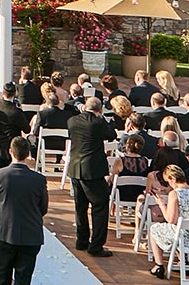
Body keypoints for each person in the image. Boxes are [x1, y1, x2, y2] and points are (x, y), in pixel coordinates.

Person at [0, 137, 47, 285]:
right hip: (31, 235)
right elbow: (43, 208)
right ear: (28, 154)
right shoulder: (39, 179)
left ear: (10, 152)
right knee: (24, 279)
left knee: (1, 276)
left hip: (6, 233)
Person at [67, 96, 115, 257]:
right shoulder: (98, 123)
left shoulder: (72, 121)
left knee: (80, 207)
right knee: (100, 206)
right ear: (99, 110)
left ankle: (81, 241)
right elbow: (112, 134)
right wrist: (102, 118)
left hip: (75, 168)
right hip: (92, 170)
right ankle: (96, 245)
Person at [148, 165, 189, 279]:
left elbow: (170, 219)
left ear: (173, 179)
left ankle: (159, 264)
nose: (169, 185)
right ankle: (182, 260)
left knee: (154, 229)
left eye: (168, 182)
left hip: (182, 237)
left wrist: (161, 204)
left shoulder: (175, 194)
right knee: (176, 229)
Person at [0, 82, 25, 169]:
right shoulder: (16, 111)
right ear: (14, 94)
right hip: (13, 148)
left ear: (3, 92)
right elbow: (26, 129)